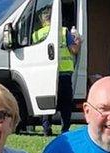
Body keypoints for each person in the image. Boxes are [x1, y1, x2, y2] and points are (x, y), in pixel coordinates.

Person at [32, 8, 80, 136]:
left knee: (46, 101)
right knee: (65, 104)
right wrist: (78, 41)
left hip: (45, 73)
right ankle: (65, 129)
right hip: (64, 73)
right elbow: (74, 49)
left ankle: (46, 128)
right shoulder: (64, 31)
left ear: (42, 21)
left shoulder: (36, 35)